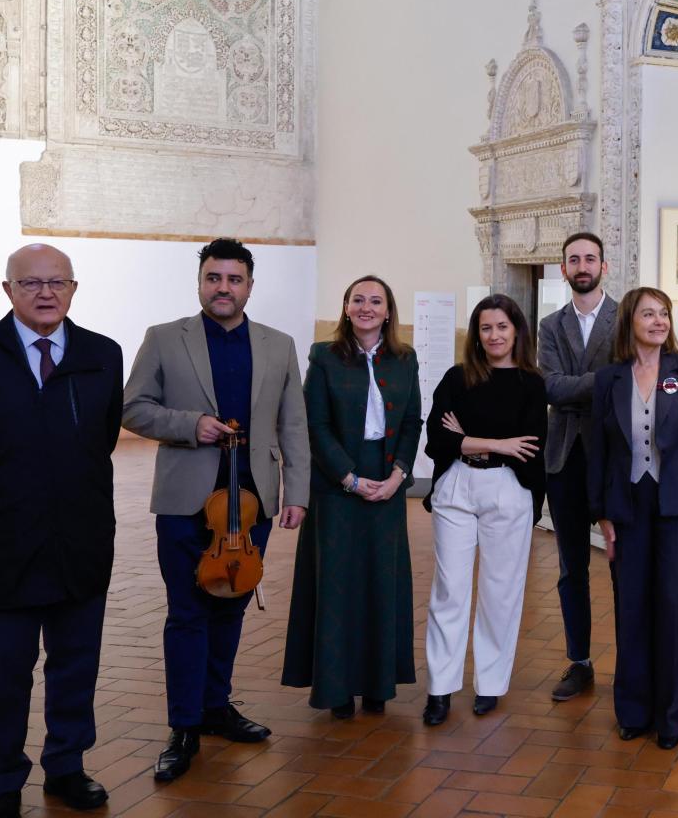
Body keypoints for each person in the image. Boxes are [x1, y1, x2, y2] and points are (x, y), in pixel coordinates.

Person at [0, 245, 123, 818]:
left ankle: (66, 767)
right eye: (31, 283)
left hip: (79, 543)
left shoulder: (102, 354)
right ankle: (3, 782)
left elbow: (102, 439)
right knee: (2, 676)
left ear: (73, 289)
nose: (45, 293)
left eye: (57, 282)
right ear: (8, 290)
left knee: (75, 667)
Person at [122, 237, 310, 783]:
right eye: (214, 278)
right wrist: (189, 425)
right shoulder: (164, 338)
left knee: (231, 605)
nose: (223, 288)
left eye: (234, 279)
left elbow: (293, 423)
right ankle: (183, 726)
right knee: (187, 612)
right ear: (200, 282)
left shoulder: (279, 344)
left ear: (249, 285)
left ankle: (214, 706)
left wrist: (297, 492)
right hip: (185, 501)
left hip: (252, 505)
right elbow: (132, 408)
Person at [281, 276, 423, 718]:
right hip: (336, 485)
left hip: (387, 482)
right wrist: (349, 478)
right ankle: (337, 688)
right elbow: (315, 425)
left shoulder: (405, 358)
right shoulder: (324, 356)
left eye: (375, 301)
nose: (366, 307)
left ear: (388, 311)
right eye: (357, 300)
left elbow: (413, 421)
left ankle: (378, 684)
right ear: (345, 308)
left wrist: (399, 475)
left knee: (382, 583)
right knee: (337, 587)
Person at [587, 287, 678, 749]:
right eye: (648, 314)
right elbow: (599, 452)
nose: (659, 321)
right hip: (627, 506)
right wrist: (602, 515)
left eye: (664, 313)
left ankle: (670, 719)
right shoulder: (609, 378)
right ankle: (633, 712)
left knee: (673, 609)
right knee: (631, 608)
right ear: (630, 321)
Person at [422, 294, 548, 726]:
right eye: (486, 328)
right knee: (449, 590)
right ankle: (440, 688)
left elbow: (529, 448)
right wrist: (497, 443)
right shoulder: (457, 378)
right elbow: (437, 439)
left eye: (502, 327)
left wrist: (467, 437)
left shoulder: (532, 383)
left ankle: (490, 684)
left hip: (508, 489)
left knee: (501, 591)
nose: (494, 335)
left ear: (516, 332)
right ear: (477, 335)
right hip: (457, 485)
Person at [537, 233, 619, 702]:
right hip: (564, 458)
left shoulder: (625, 317)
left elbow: (628, 381)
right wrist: (605, 382)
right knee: (572, 568)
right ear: (563, 268)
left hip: (614, 459)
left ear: (603, 266)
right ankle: (580, 662)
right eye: (574, 259)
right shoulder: (550, 326)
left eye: (590, 258)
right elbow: (550, 388)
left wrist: (581, 385)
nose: (582, 265)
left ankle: (631, 664)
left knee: (622, 566)